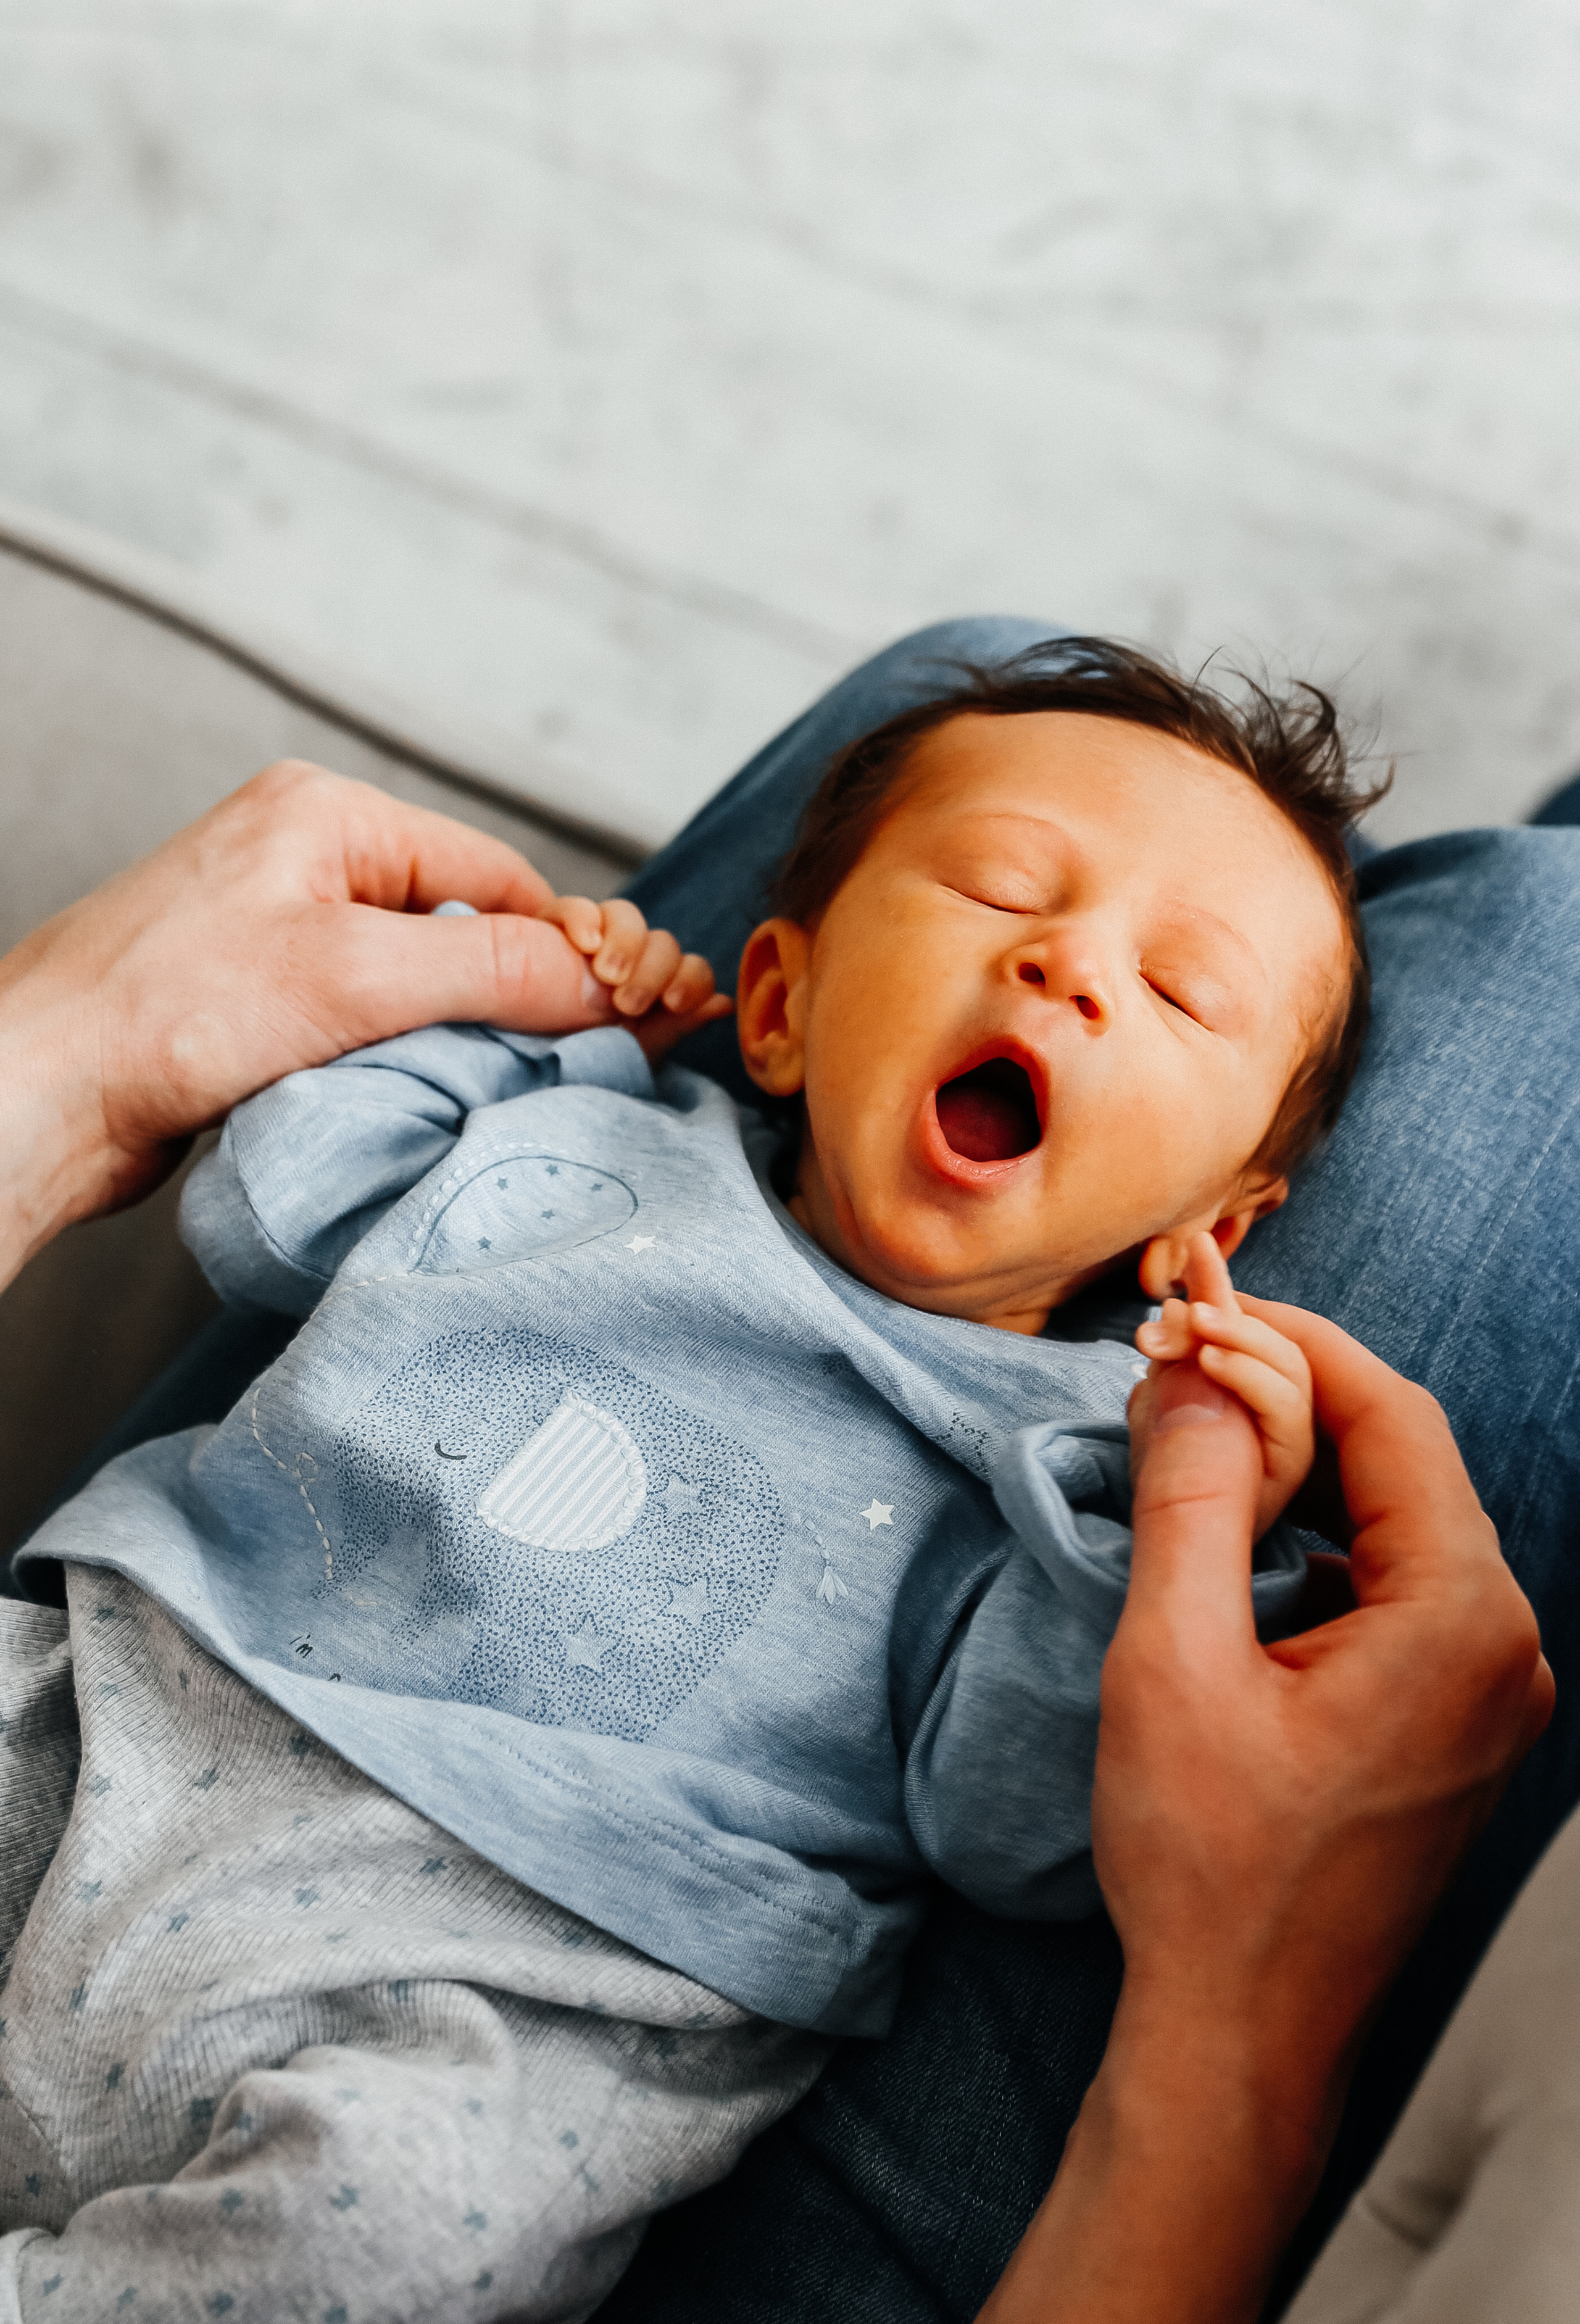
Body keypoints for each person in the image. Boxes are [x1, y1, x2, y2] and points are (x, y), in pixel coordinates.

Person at [0, 625, 1568, 2322]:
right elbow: (271, 1203)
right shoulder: (584, 1142)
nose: (1065, 963)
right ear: (776, 1000)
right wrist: (509, 1004)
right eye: (997, 887)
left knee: (371, 2245)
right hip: (117, 1719)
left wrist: (1210, 1523)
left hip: (496, 1994)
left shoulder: (1053, 1469)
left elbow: (1025, 1824)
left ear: (1215, 1228)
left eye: (1183, 992)